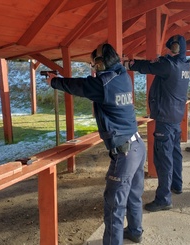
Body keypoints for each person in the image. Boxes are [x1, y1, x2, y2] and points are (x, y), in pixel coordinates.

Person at [45, 43, 147, 244]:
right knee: (134, 195)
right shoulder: (122, 76)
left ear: (101, 64)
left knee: (113, 206)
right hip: (136, 145)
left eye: (94, 64)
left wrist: (54, 81)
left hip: (124, 152)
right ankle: (135, 232)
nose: (93, 68)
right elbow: (89, 84)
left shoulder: (104, 84)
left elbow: (79, 86)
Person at [123, 35, 190, 212]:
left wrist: (129, 64)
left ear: (174, 48)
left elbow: (148, 67)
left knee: (163, 159)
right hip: (175, 116)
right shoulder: (185, 65)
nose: (167, 51)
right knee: (175, 154)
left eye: (169, 48)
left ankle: (163, 199)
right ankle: (177, 184)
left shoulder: (168, 65)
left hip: (165, 118)